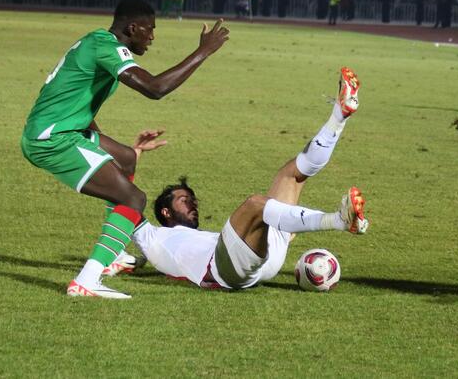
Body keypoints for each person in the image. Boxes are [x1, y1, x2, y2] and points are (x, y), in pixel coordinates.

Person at [20, 0, 230, 298]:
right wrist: (203, 51)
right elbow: (155, 88)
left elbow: (72, 97)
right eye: (150, 29)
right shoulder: (106, 47)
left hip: (64, 128)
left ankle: (115, 251)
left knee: (126, 157)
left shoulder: (96, 42)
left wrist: (101, 148)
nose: (152, 37)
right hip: (51, 138)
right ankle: (87, 281)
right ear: (132, 28)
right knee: (134, 198)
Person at [126, 68, 368, 291]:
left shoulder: (201, 236)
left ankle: (339, 115)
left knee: (291, 174)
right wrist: (135, 152)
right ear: (166, 212)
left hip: (258, 257)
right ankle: (338, 220)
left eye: (192, 199)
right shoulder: (151, 237)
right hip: (224, 270)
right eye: (183, 200)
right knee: (255, 205)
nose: (193, 203)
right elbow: (121, 196)